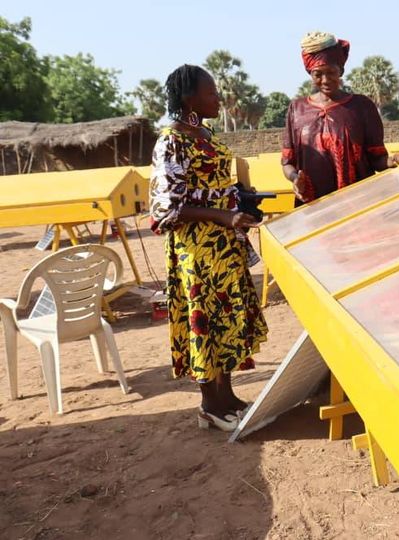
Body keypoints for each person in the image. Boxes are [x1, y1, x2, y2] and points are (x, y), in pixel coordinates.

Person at [149, 64, 268, 432]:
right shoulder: (171, 140)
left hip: (224, 245)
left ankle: (228, 396)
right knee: (204, 321)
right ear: (190, 98)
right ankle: (209, 405)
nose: (218, 98)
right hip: (197, 251)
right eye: (211, 92)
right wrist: (222, 216)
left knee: (226, 320)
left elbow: (216, 184)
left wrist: (242, 201)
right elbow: (166, 209)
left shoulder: (204, 132)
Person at [282, 31, 399, 205]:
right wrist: (295, 178)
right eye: (318, 74)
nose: (325, 80)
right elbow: (287, 163)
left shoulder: (361, 107)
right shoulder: (297, 109)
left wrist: (395, 159)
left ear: (341, 71)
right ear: (310, 74)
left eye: (331, 72)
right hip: (313, 207)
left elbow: (377, 160)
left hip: (358, 205)